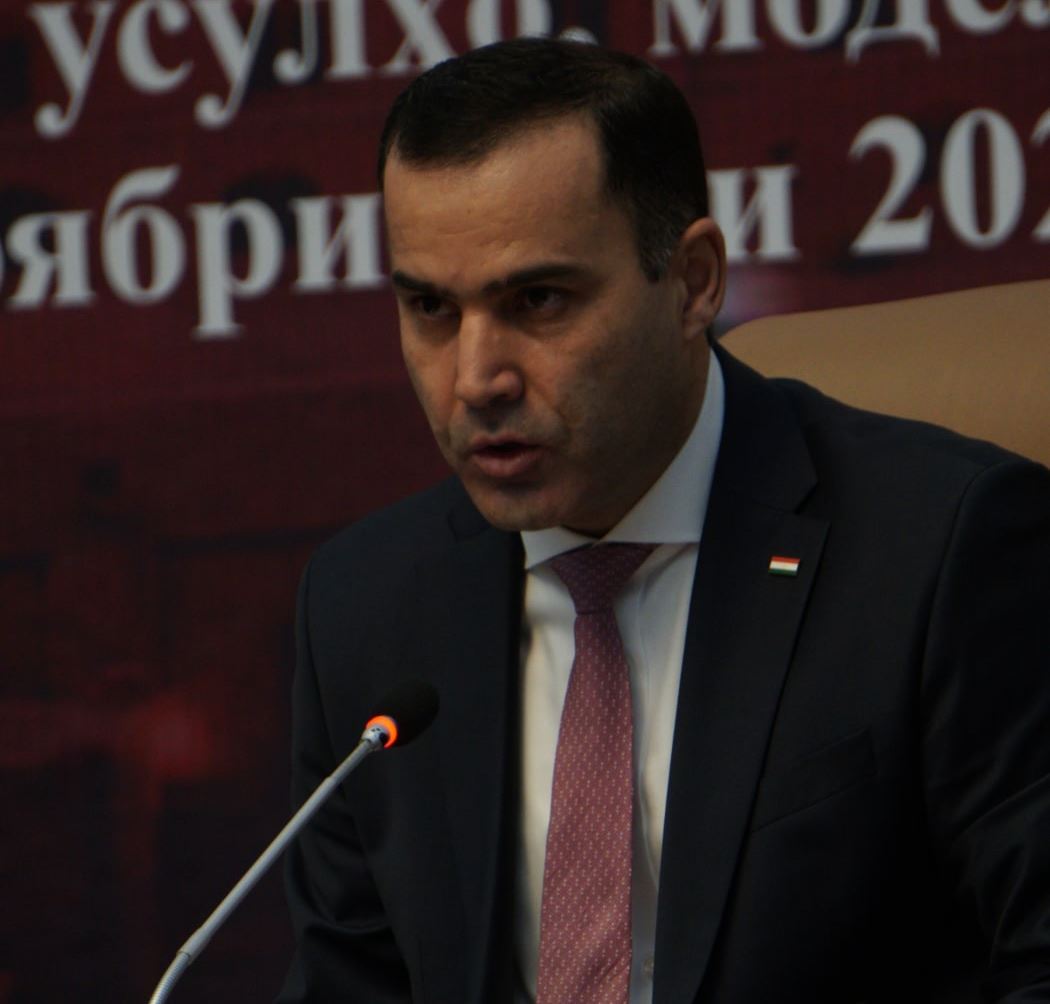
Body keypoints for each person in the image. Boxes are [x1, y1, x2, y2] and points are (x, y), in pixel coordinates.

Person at [277, 38, 1050, 1004]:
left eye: (539, 299)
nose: (475, 379)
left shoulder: (941, 551)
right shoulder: (367, 607)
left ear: (693, 282)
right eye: (431, 307)